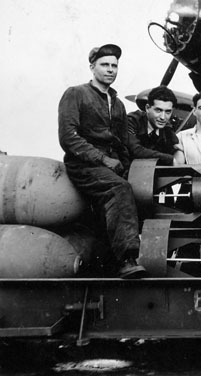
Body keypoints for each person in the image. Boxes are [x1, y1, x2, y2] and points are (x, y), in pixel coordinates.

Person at [58, 43, 145, 279]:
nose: (110, 70)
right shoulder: (76, 94)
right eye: (104, 65)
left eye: (114, 65)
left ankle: (107, 265)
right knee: (119, 189)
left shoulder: (117, 104)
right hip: (83, 165)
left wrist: (125, 166)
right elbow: (68, 137)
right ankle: (127, 259)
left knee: (136, 191)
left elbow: (122, 143)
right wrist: (102, 159)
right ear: (92, 67)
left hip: (110, 165)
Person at [128, 86, 180, 165]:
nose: (163, 117)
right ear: (147, 108)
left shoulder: (167, 129)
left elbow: (176, 148)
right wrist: (169, 159)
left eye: (168, 112)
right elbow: (135, 150)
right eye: (158, 110)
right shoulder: (132, 121)